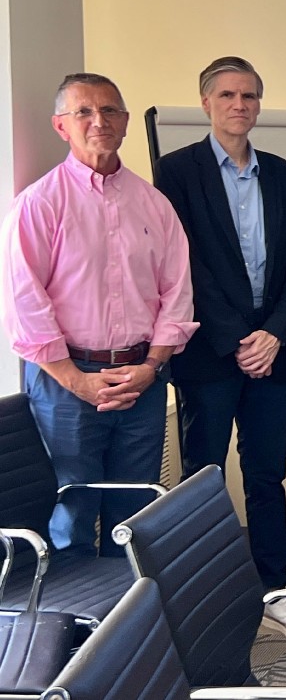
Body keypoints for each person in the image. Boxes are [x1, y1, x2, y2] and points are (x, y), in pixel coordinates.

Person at [152, 57, 286, 642]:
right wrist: (236, 338)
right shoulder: (177, 171)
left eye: (249, 96)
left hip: (272, 351)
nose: (239, 105)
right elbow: (185, 265)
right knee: (203, 475)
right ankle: (201, 592)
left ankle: (274, 588)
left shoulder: (282, 174)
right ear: (206, 103)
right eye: (227, 95)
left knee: (266, 474)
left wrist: (273, 333)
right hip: (209, 352)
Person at [0, 73, 196, 557]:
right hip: (65, 381)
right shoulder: (39, 204)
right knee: (70, 508)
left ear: (125, 122)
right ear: (60, 126)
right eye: (83, 112)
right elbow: (25, 303)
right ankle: (71, 608)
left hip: (141, 379)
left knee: (135, 514)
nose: (98, 121)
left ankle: (127, 605)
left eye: (109, 110)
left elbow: (177, 292)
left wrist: (151, 367)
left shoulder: (154, 204)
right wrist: (77, 381)